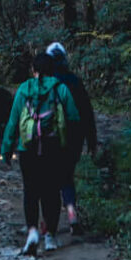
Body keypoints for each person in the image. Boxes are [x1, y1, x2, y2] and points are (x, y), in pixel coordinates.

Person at [0, 49, 80, 255]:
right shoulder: (60, 89)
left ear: (32, 69)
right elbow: (73, 119)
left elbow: (13, 121)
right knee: (51, 192)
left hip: (27, 149)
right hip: (54, 148)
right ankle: (50, 235)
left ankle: (33, 231)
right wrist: (71, 147)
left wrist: (6, 149)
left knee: (30, 191)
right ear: (52, 69)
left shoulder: (24, 89)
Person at [44, 39, 98, 233]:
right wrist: (92, 141)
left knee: (49, 178)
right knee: (67, 176)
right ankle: (72, 213)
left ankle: (49, 223)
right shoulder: (75, 81)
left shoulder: (44, 83)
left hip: (49, 138)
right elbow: (87, 114)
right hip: (74, 138)